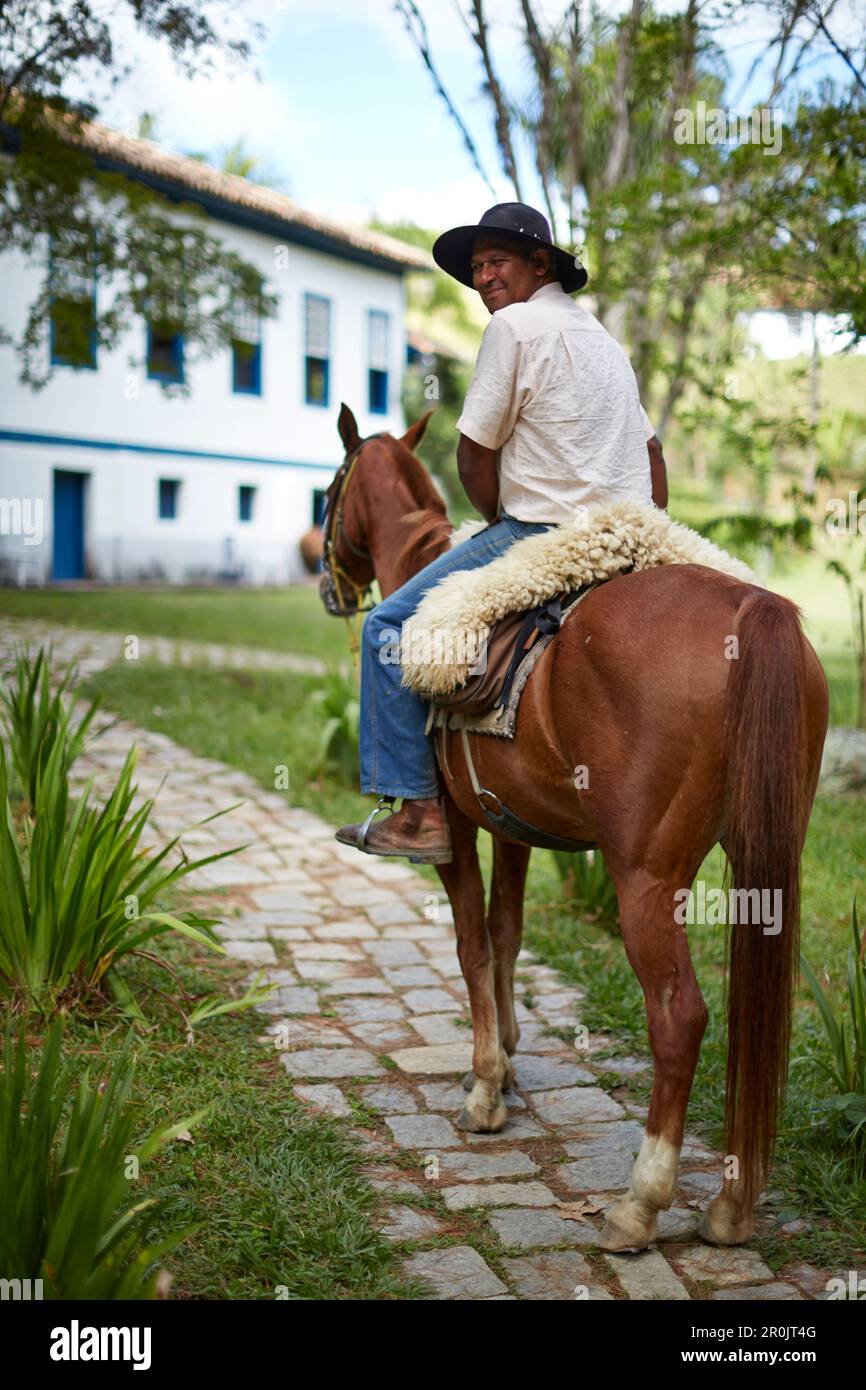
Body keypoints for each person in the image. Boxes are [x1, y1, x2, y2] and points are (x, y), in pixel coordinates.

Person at [335, 202, 667, 864]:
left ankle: (418, 812)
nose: (483, 277)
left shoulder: (513, 328)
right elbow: (653, 459)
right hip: (628, 535)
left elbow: (472, 455)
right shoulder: (605, 342)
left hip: (540, 531)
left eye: (497, 262)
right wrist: (643, 530)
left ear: (539, 264)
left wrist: (494, 526)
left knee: (386, 630)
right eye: (478, 267)